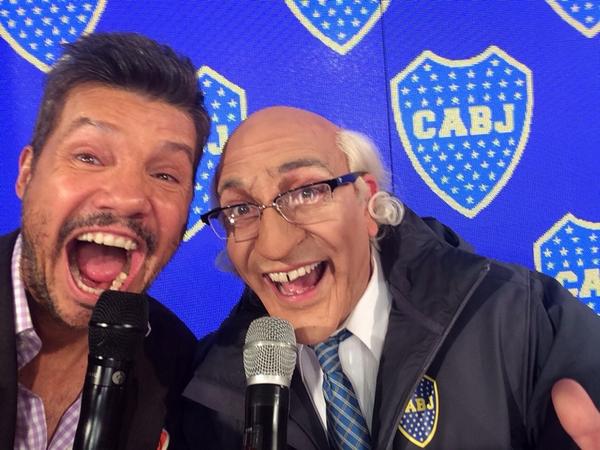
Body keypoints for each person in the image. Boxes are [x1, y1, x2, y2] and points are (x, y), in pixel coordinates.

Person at [177, 106, 600, 449]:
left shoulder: (526, 320)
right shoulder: (204, 392)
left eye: (307, 192)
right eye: (241, 209)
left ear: (367, 202)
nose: (274, 246)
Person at [0, 32, 210, 449]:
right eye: (89, 157)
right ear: (27, 173)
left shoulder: (177, 362)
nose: (128, 198)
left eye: (165, 174)